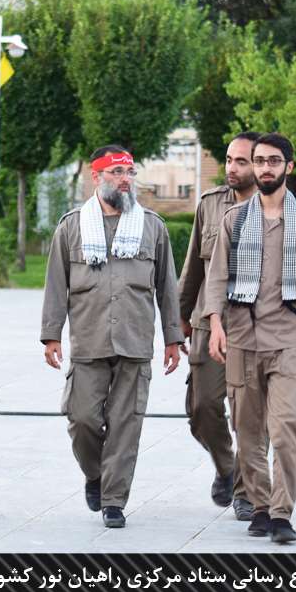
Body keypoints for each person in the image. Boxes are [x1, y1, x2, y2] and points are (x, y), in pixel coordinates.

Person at [203, 132, 296, 544]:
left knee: (284, 429)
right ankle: (260, 508)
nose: (264, 168)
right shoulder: (234, 220)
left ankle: (282, 513)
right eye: (259, 161)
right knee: (246, 434)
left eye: (273, 161)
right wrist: (215, 326)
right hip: (242, 341)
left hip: (289, 340)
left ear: (288, 167)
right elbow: (217, 281)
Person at [41, 145, 186, 529]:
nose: (125, 179)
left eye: (130, 172)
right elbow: (57, 284)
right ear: (97, 177)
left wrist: (173, 337)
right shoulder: (71, 226)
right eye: (116, 172)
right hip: (89, 341)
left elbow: (166, 286)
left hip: (135, 341)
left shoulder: (152, 226)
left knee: (126, 423)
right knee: (81, 419)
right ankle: (96, 475)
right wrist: (50, 335)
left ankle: (113, 501)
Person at [177, 131, 260, 520]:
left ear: (259, 165)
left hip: (255, 328)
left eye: (241, 161)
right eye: (229, 159)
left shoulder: (277, 209)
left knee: (249, 412)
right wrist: (177, 320)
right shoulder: (210, 205)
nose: (232, 167)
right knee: (201, 407)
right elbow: (194, 264)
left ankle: (245, 489)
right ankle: (227, 467)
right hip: (208, 324)